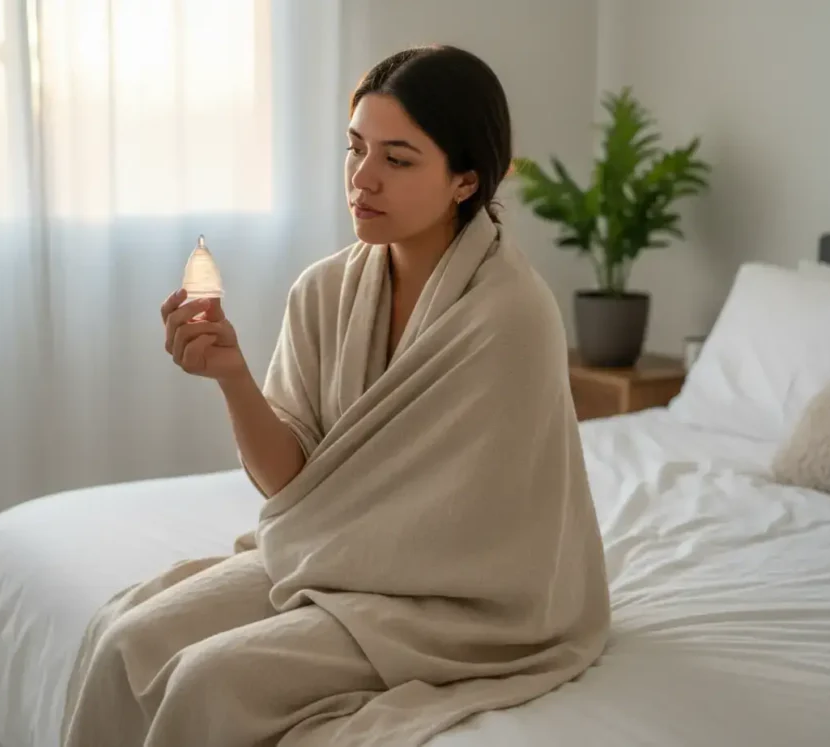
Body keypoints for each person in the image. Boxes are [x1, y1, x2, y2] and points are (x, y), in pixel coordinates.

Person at [62, 44, 610, 747]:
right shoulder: (323, 290)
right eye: (355, 149)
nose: (362, 178)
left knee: (208, 680)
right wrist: (233, 375)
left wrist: (338, 548)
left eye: (398, 159)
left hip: (454, 608)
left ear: (466, 180)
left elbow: (483, 537)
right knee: (124, 641)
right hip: (325, 559)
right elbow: (291, 486)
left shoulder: (511, 316)